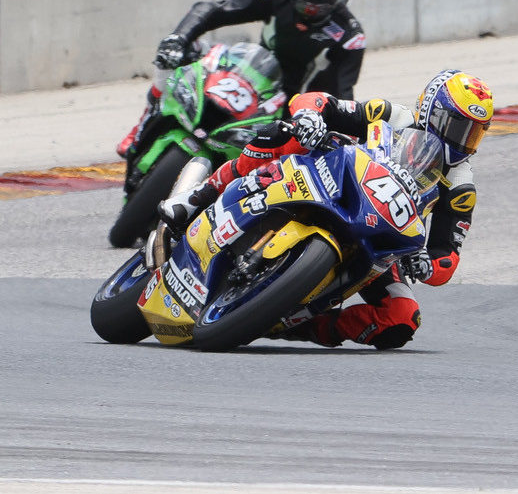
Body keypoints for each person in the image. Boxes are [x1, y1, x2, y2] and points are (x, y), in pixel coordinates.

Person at [158, 69, 493, 350]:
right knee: (285, 133)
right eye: (458, 126)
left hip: (380, 240)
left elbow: (447, 254)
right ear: (431, 110)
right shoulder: (392, 115)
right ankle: (199, 196)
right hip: (335, 182)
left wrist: (427, 265)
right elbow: (321, 103)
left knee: (403, 318)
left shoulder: (460, 185)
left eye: (474, 133)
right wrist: (309, 117)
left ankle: (305, 325)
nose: (464, 141)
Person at [117, 0, 366, 158]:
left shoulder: (349, 35)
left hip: (288, 106)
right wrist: (179, 37)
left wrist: (337, 130)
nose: (314, 0)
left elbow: (342, 93)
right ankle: (142, 127)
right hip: (251, 72)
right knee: (177, 51)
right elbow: (214, 10)